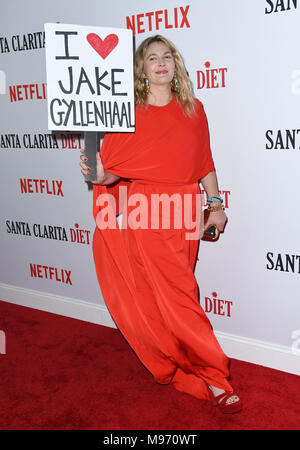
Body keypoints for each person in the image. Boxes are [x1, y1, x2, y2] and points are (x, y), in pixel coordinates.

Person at [80, 35, 242, 414]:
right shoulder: (129, 115)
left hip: (184, 208)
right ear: (141, 69)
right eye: (151, 58)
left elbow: (204, 162)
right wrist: (96, 169)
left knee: (177, 292)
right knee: (179, 296)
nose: (161, 63)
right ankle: (215, 376)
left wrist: (215, 203)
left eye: (167, 56)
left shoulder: (194, 109)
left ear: (176, 64)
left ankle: (175, 359)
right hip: (146, 210)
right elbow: (108, 176)